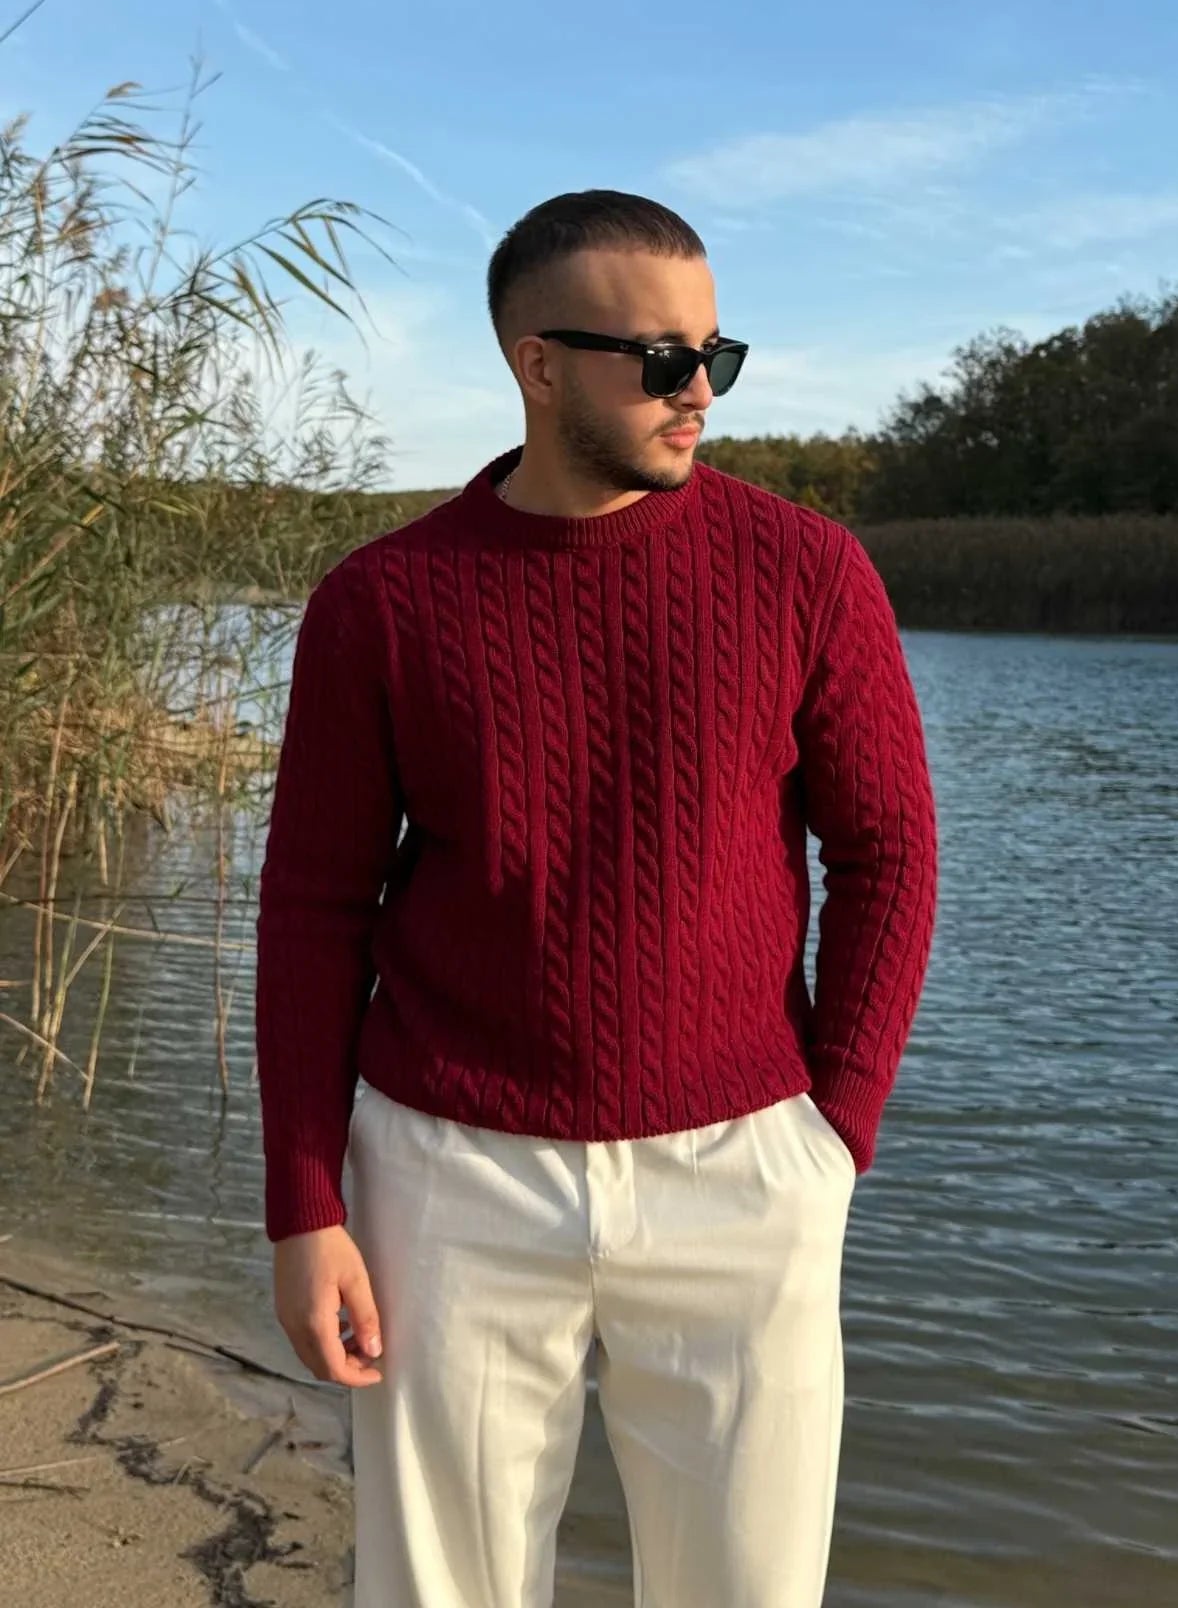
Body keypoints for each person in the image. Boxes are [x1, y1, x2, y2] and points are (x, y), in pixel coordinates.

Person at [255, 189, 938, 1607]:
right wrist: (304, 1200)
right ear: (538, 363)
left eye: (716, 354)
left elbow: (889, 853)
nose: (702, 393)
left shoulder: (809, 571)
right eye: (664, 359)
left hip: (744, 1168)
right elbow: (314, 909)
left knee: (747, 1589)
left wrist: (837, 1127)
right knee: (440, 1590)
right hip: (447, 1174)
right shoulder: (382, 602)